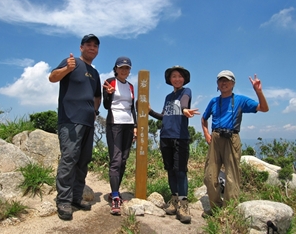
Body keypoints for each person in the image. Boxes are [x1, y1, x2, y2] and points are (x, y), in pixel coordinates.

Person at [201, 70, 269, 217]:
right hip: (216, 137)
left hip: (232, 138)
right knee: (209, 175)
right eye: (220, 81)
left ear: (233, 84)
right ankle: (215, 207)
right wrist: (206, 133)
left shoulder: (240, 100)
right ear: (217, 85)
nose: (223, 83)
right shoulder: (213, 101)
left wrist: (258, 92)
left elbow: (264, 108)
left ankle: (228, 212)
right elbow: (204, 118)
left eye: (227, 80)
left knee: (232, 176)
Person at [49, 34, 102, 221]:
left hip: (88, 122)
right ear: (81, 47)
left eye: (95, 46)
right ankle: (63, 200)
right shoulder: (71, 62)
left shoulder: (95, 73)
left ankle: (76, 197)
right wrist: (66, 69)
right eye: (88, 45)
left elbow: (97, 96)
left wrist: (95, 112)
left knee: (83, 161)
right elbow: (52, 78)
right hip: (70, 120)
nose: (92, 48)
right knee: (69, 159)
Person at [148, 65, 199, 224]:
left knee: (181, 171)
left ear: (184, 79)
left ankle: (183, 205)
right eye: (173, 76)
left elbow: (184, 104)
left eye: (179, 76)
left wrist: (185, 110)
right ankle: (174, 199)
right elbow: (164, 116)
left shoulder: (186, 92)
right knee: (170, 169)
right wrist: (149, 111)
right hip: (166, 136)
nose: (177, 79)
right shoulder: (168, 97)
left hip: (180, 137)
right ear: (169, 80)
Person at [103, 56, 137, 215]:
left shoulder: (130, 86)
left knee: (123, 159)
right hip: (114, 124)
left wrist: (135, 126)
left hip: (128, 125)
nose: (124, 70)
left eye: (127, 68)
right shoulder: (110, 82)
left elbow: (132, 108)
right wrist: (108, 94)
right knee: (116, 159)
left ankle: (114, 191)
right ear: (115, 69)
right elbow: (105, 105)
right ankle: (116, 196)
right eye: (121, 67)